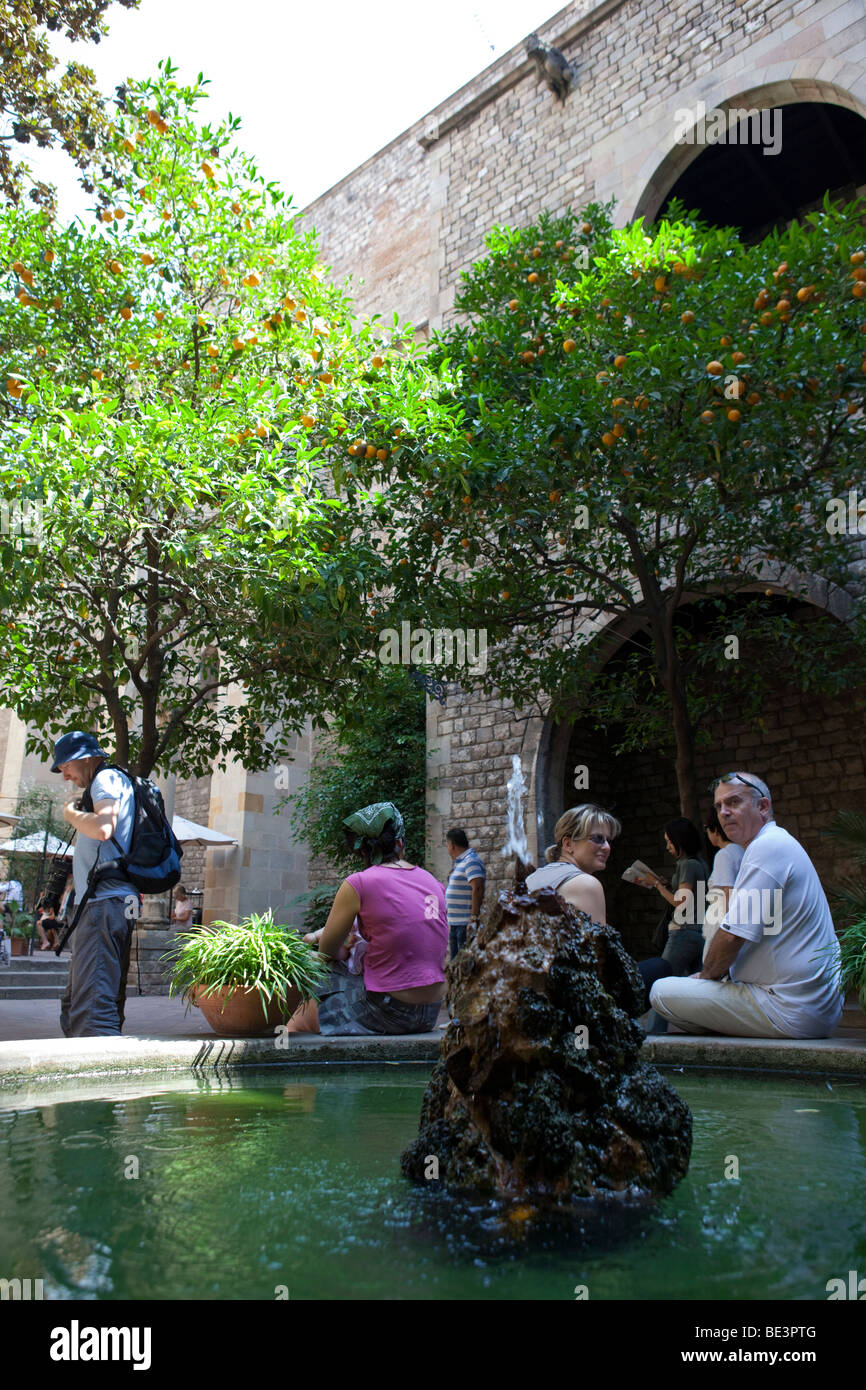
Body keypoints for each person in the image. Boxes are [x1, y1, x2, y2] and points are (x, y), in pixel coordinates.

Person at [650, 772, 844, 1038]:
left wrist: (706, 977)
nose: (724, 812)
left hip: (788, 1008)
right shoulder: (773, 844)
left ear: (763, 807)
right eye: (719, 806)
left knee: (661, 992)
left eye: (734, 802)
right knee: (682, 997)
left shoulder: (767, 847)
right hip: (807, 1008)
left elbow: (732, 935)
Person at [295, 801, 448, 1036]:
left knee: (308, 987)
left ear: (364, 851)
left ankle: (290, 1043)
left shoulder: (359, 883)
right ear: (400, 843)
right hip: (430, 1013)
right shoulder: (433, 883)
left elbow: (326, 953)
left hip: (388, 1011)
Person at [51, 730, 137, 1037]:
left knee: (92, 1007)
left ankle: (102, 1079)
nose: (65, 777)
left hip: (105, 903)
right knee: (76, 1002)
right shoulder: (107, 781)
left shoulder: (106, 779)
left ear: (84, 758)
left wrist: (71, 814)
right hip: (106, 903)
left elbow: (103, 828)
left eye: (65, 768)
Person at [524, 804, 621, 924]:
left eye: (608, 841)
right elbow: (598, 942)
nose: (607, 847)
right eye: (597, 838)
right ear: (568, 844)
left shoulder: (531, 878)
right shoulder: (587, 885)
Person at [701, 809, 745, 960]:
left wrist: (727, 928)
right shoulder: (740, 850)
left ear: (714, 830)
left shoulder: (724, 854)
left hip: (721, 916)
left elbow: (728, 891)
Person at [444, 827, 486, 958]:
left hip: (464, 923)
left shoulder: (471, 861)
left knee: (463, 964)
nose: (447, 850)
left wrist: (473, 917)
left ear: (452, 845)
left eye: (447, 845)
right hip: (456, 923)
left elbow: (477, 888)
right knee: (455, 965)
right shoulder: (461, 862)